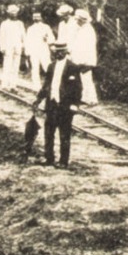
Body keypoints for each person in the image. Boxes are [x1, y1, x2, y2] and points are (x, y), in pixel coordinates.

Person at [32, 40, 85, 169]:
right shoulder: (51, 66)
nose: (58, 54)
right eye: (56, 52)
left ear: (66, 52)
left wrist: (75, 104)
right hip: (52, 104)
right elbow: (46, 85)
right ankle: (49, 158)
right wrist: (38, 99)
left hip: (65, 106)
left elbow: (78, 88)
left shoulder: (73, 67)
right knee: (49, 132)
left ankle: (63, 161)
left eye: (61, 52)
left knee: (64, 134)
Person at [69, 8, 99, 105]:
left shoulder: (88, 30)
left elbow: (88, 47)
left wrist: (86, 62)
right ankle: (84, 98)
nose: (76, 21)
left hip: (86, 59)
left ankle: (92, 99)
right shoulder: (81, 29)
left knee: (87, 79)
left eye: (78, 20)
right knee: (81, 79)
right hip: (79, 58)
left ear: (82, 20)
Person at [23, 10, 53, 92]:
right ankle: (37, 87)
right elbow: (27, 41)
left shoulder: (46, 27)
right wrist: (27, 52)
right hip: (34, 51)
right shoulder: (30, 29)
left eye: (38, 17)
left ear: (41, 18)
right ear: (33, 18)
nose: (36, 19)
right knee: (35, 69)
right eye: (35, 17)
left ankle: (50, 86)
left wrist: (47, 39)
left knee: (48, 68)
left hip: (44, 51)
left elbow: (52, 39)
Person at [0, 4, 24, 89]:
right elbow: (2, 36)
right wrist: (2, 47)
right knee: (7, 65)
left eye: (15, 13)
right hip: (8, 47)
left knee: (16, 66)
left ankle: (13, 85)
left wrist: (23, 46)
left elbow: (23, 36)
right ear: (8, 14)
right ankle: (5, 84)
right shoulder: (4, 24)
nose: (14, 14)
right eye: (12, 13)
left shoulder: (20, 23)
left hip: (17, 46)